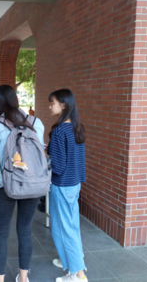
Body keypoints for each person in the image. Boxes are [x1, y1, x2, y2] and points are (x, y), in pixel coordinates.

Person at [0, 85, 45, 282]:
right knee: (25, 231)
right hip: (33, 184)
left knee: (1, 233)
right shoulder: (36, 122)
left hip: (6, 185)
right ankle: (23, 278)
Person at [47, 89, 87, 282]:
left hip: (62, 185)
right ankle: (73, 263)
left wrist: (47, 158)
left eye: (52, 103)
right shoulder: (76, 128)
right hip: (74, 183)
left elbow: (59, 165)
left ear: (63, 105)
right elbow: (76, 160)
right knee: (72, 226)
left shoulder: (59, 130)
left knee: (63, 228)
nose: (49, 106)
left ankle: (77, 274)